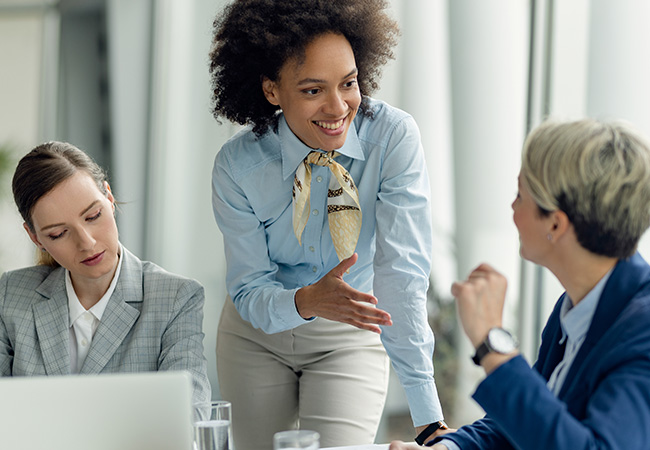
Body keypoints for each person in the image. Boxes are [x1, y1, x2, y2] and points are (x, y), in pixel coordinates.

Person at [208, 0, 446, 448]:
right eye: (313, 90)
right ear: (272, 91)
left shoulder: (392, 139)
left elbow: (402, 273)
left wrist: (427, 415)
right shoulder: (237, 166)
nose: (339, 107)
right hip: (256, 335)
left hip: (348, 332)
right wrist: (307, 299)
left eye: (349, 83)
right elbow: (248, 288)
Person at [390, 118, 650, 450]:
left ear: (555, 224)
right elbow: (532, 422)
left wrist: (493, 346)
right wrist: (449, 448)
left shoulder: (642, 332)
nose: (512, 209)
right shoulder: (577, 304)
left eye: (520, 195)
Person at [0, 141, 211, 405]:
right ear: (35, 237)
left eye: (93, 216)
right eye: (58, 233)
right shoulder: (11, 295)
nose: (86, 242)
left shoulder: (175, 299)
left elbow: (189, 416)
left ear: (109, 198)